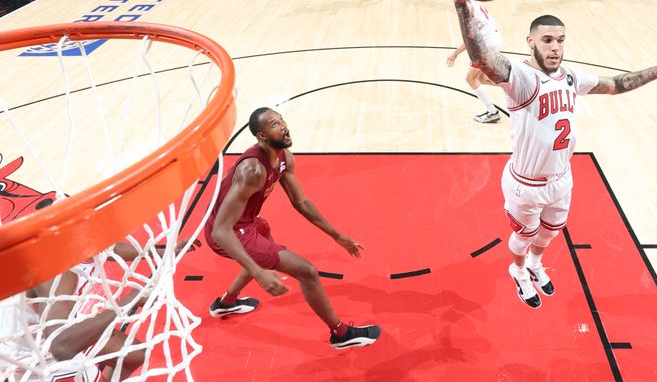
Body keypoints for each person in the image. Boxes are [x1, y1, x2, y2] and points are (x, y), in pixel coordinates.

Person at [444, 0, 657, 309]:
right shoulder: (521, 79)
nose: (555, 46)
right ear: (531, 42)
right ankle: (519, 269)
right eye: (548, 40)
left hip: (562, 178)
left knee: (552, 231)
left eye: (560, 40)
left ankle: (537, 264)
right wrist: (460, 3)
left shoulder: (571, 77)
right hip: (526, 183)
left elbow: (617, 84)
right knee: (523, 235)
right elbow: (483, 58)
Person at [204, 107, 381, 349]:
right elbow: (220, 231)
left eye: (281, 119)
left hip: (247, 223)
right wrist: (257, 272)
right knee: (307, 272)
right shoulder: (252, 170)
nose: (284, 126)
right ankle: (340, 334)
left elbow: (301, 202)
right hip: (228, 232)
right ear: (262, 136)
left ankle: (226, 303)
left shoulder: (284, 157)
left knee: (265, 241)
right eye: (274, 124)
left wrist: (337, 236)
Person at [2, 239, 196, 381]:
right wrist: (127, 302)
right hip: (27, 353)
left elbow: (117, 249)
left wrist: (164, 250)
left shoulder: (90, 242)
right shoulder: (60, 274)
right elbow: (60, 346)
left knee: (133, 354)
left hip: (57, 325)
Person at [445, 0, 503, 123]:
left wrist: (455, 53)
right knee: (483, 79)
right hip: (493, 39)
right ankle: (517, 89)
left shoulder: (467, 7)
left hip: (485, 44)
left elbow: (470, 38)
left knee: (470, 79)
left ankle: (493, 112)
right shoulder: (470, 0)